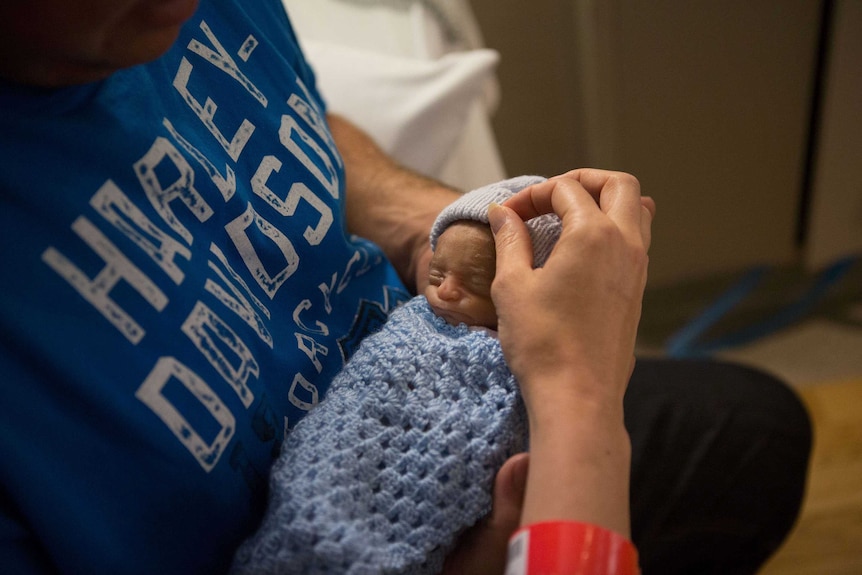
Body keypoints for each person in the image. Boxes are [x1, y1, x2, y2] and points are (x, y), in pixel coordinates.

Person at [0, 1, 810, 574]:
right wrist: (576, 389)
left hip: (457, 395)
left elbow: (297, 112)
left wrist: (439, 228)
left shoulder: (167, 20)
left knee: (758, 438)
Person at [230, 176, 556, 574]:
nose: (447, 291)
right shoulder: (413, 322)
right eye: (437, 275)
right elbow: (363, 389)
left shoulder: (515, 359)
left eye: (474, 282)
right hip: (329, 468)